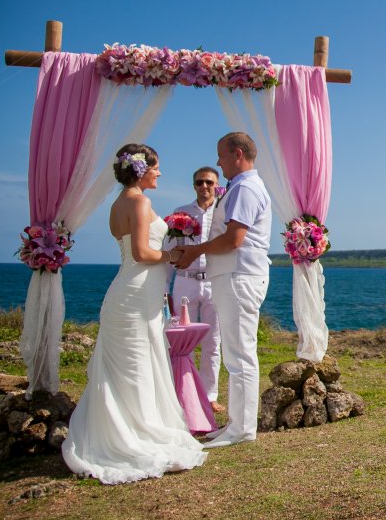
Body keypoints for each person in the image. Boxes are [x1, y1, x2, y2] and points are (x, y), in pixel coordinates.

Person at [62, 143, 206, 484]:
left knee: (131, 368)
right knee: (136, 367)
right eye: (155, 168)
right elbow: (142, 253)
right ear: (141, 171)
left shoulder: (117, 204)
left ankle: (126, 430)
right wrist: (172, 256)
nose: (159, 173)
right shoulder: (140, 202)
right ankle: (135, 437)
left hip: (131, 293)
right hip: (135, 296)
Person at [175, 132, 271, 449]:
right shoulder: (240, 187)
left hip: (238, 277)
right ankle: (236, 423)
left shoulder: (244, 188)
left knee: (240, 355)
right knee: (234, 353)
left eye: (221, 155)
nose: (218, 162)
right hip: (234, 276)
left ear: (238, 154)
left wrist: (196, 250)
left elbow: (234, 239)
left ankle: (242, 429)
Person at [164, 166, 225, 415]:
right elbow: (169, 250)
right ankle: (180, 394)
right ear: (194, 186)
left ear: (217, 185)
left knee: (213, 342)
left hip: (214, 282)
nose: (204, 187)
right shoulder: (181, 214)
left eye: (209, 182)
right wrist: (164, 287)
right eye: (200, 182)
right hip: (185, 281)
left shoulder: (224, 213)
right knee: (180, 341)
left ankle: (210, 396)